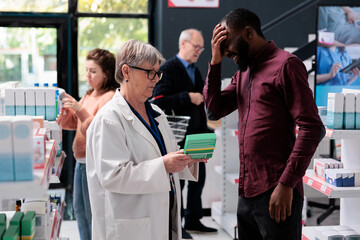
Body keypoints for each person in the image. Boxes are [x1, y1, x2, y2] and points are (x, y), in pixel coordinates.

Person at [204, 8, 325, 240]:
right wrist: (215, 61)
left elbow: (312, 127)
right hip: (247, 191)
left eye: (227, 42)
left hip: (277, 191)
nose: (226, 50)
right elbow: (214, 110)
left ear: (248, 33)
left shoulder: (286, 65)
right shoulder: (243, 73)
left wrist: (287, 184)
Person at [86, 39, 206, 240]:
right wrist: (164, 166)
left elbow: (167, 156)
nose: (156, 79)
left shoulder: (156, 113)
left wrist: (186, 160)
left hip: (161, 218)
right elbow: (113, 176)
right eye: (150, 72)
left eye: (158, 73)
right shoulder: (109, 119)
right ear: (126, 72)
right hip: (130, 225)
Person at [152, 29, 217, 239]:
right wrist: (188, 97)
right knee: (178, 182)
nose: (199, 51)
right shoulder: (168, 68)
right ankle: (176, 226)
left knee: (199, 179)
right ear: (183, 45)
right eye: (196, 47)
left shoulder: (194, 70)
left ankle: (193, 220)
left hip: (197, 134)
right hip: (178, 137)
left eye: (201, 48)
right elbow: (159, 100)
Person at [56, 48, 118, 240]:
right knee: (79, 211)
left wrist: (78, 108)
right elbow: (76, 124)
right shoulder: (89, 95)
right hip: (80, 163)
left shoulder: (109, 97)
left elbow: (95, 129)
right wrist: (65, 113)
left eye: (93, 71)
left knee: (92, 214)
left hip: (93, 164)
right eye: (87, 70)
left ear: (106, 74)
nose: (88, 75)